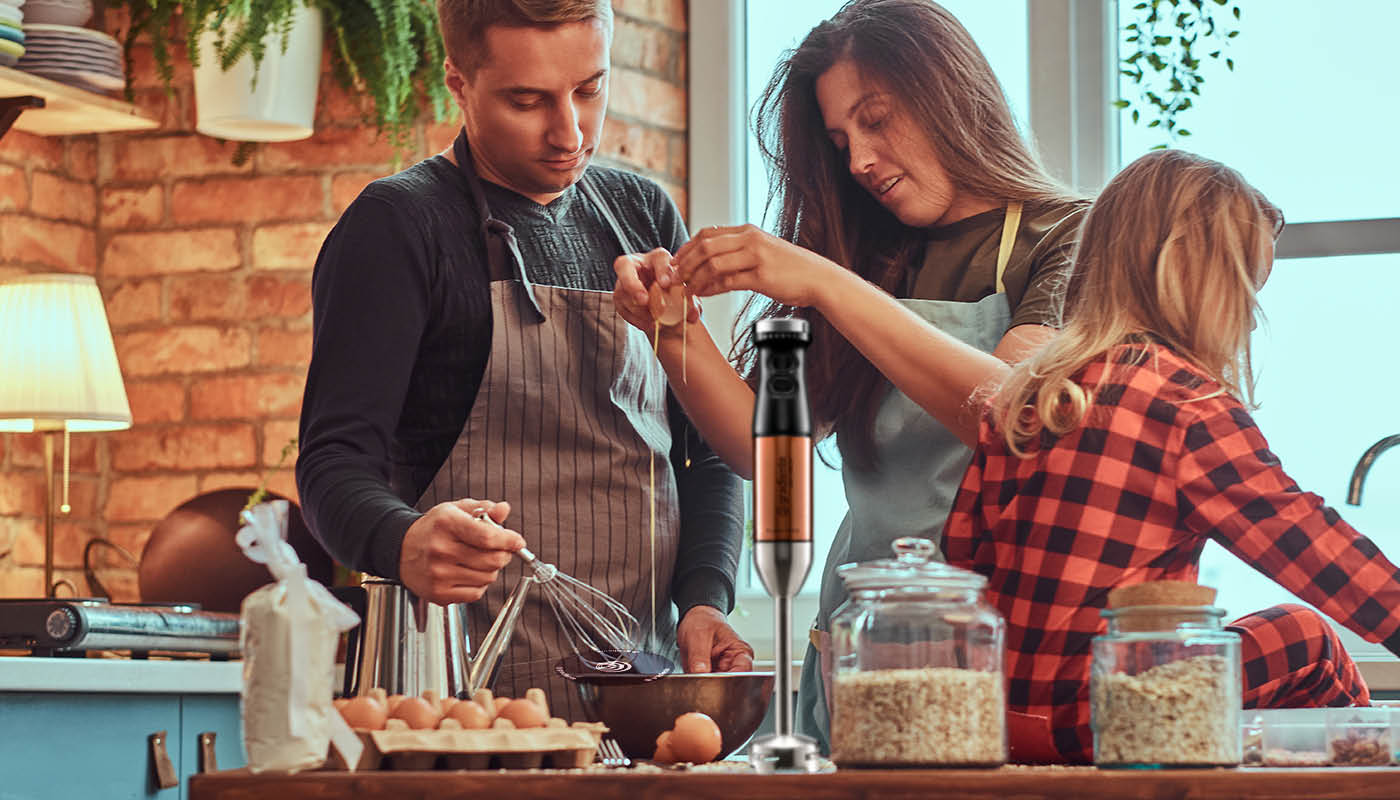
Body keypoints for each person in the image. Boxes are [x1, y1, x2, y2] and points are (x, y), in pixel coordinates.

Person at [612, 0, 1086, 750]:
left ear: (952, 93)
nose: (860, 160)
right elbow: (765, 449)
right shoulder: (868, 253)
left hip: (997, 629)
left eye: (877, 120)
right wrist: (672, 330)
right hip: (861, 632)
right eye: (841, 142)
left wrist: (823, 282)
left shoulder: (1066, 235)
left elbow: (1004, 411)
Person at [296, 0, 750, 718]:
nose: (570, 133)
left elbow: (707, 454)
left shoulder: (643, 214)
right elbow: (331, 465)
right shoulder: (397, 226)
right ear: (459, 81)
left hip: (647, 701)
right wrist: (402, 539)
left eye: (589, 89)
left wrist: (704, 597)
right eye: (527, 101)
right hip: (465, 710)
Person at [942, 148, 1400, 763]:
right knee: (1307, 637)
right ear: (1190, 276)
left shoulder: (1028, 395)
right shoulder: (1182, 404)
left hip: (1002, 723)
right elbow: (1311, 545)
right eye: (1243, 290)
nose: (1249, 320)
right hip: (1110, 719)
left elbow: (961, 561)